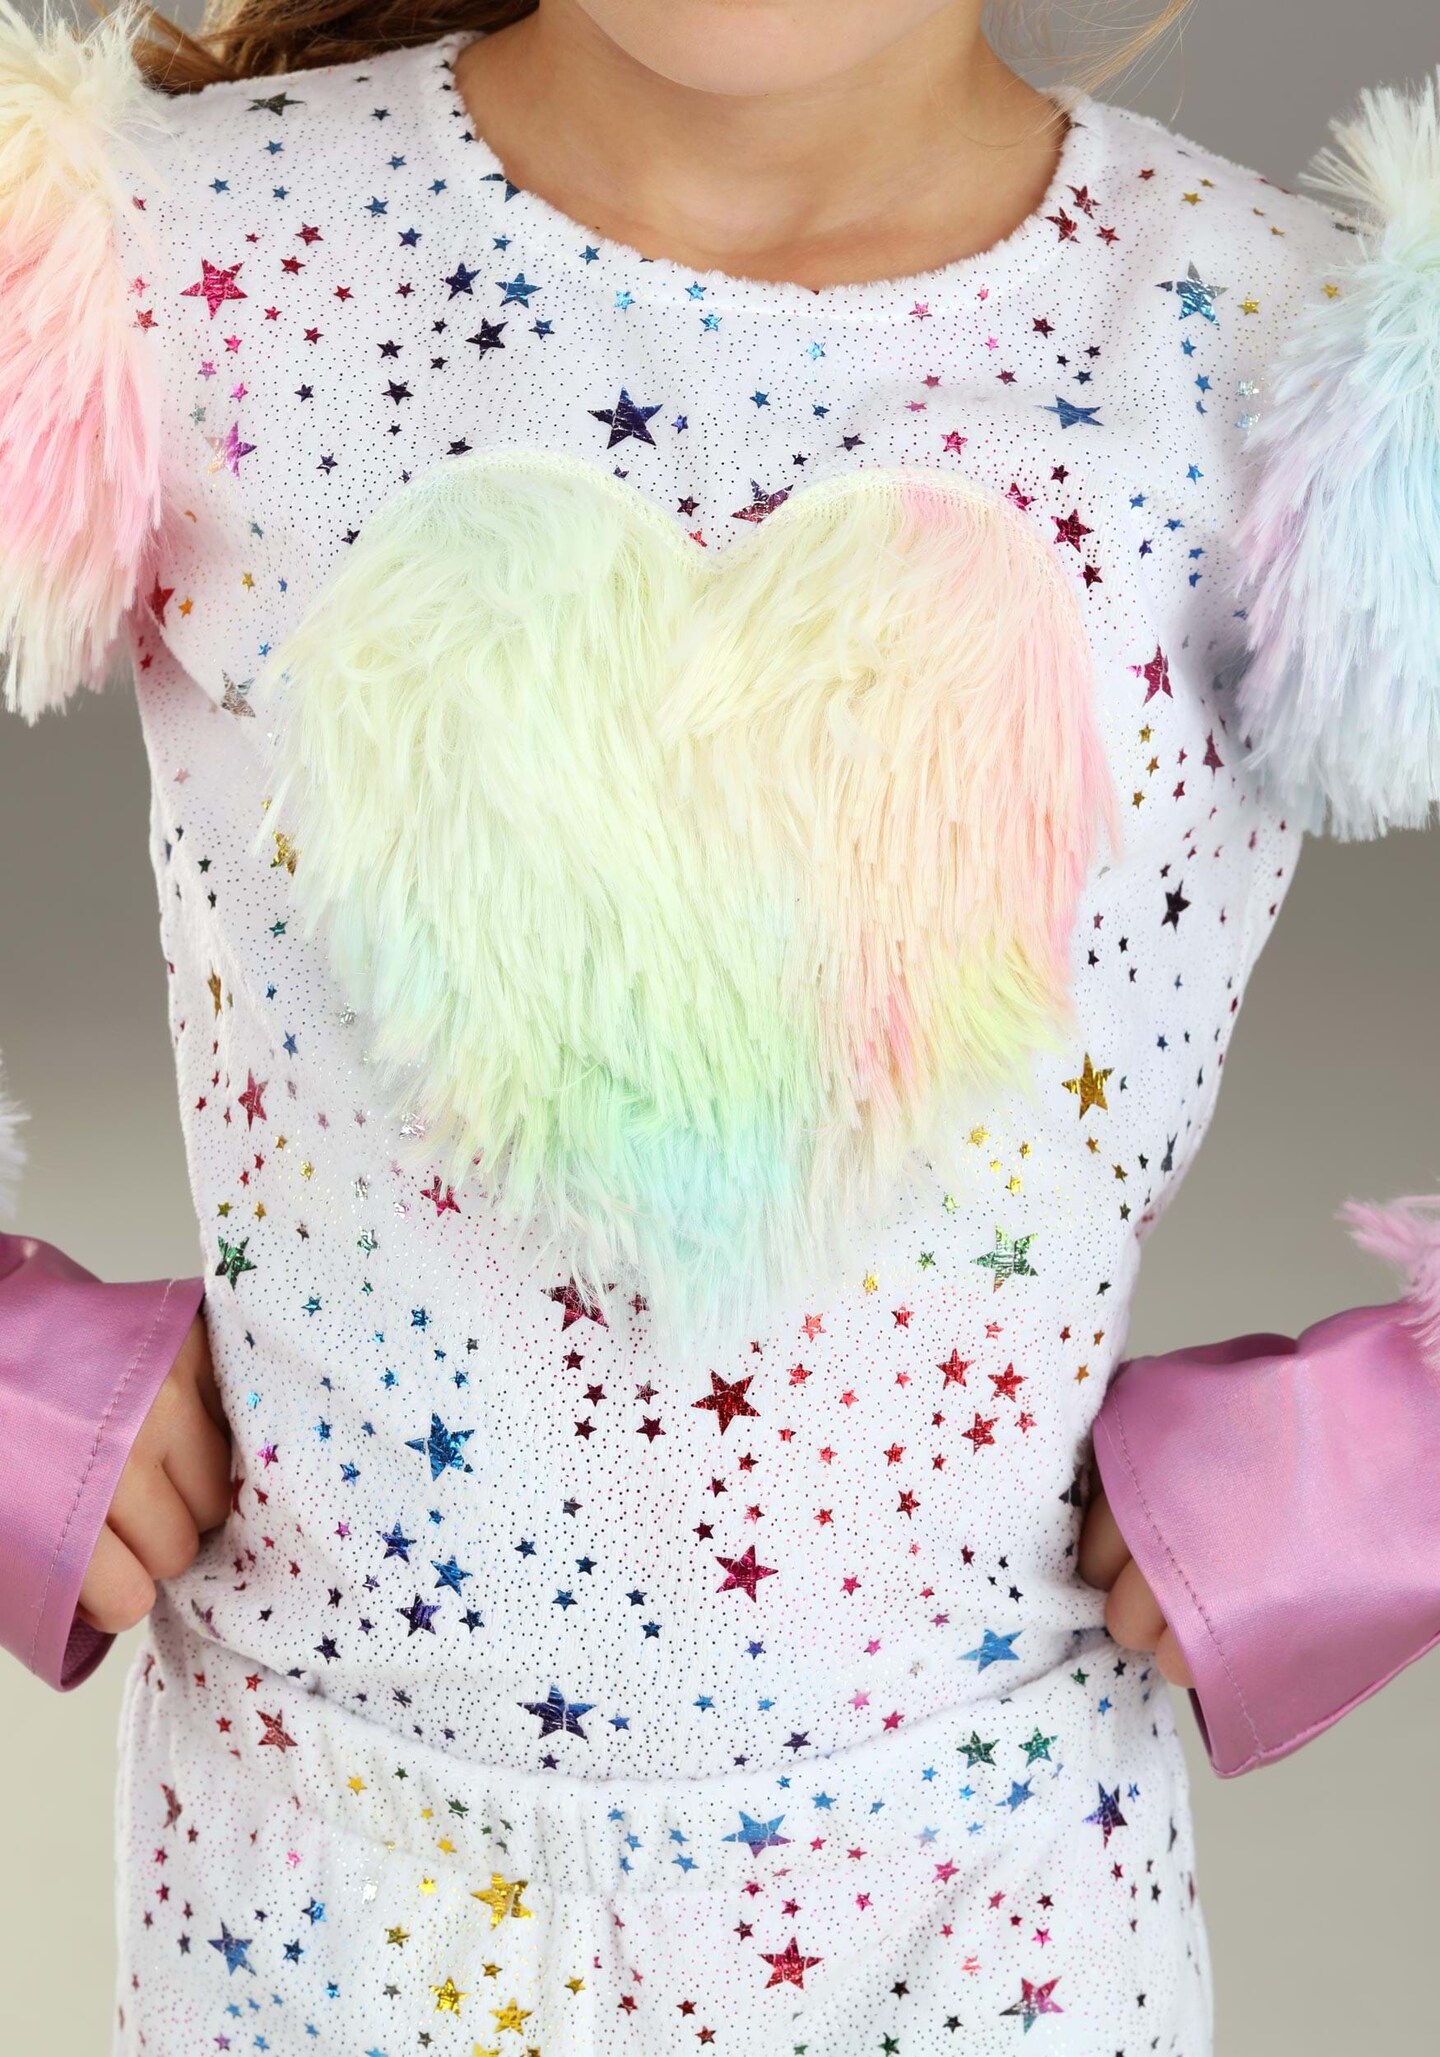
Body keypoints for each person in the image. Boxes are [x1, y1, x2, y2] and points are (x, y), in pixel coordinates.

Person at [1, 1, 1436, 2050]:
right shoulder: (159, 253)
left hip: (985, 1928)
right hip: (313, 1905)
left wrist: (1401, 1450)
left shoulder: (1306, 364)